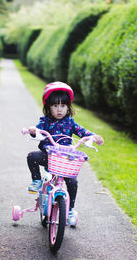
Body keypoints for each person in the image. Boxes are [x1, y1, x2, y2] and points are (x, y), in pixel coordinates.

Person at [26, 81, 104, 225]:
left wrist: (93, 136)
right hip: (49, 156)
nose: (59, 109)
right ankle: (36, 181)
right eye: (55, 106)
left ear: (68, 107)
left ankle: (70, 210)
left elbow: (82, 132)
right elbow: (37, 130)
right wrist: (33, 131)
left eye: (63, 105)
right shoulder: (46, 121)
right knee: (32, 156)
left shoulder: (70, 122)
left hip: (65, 161)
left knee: (73, 181)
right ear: (48, 107)